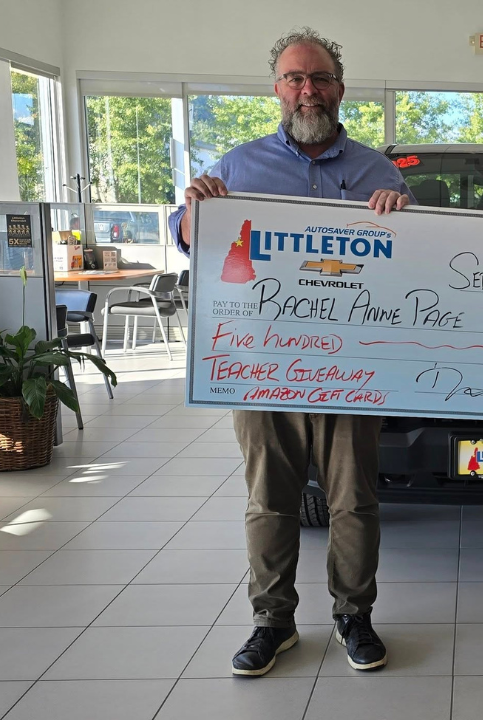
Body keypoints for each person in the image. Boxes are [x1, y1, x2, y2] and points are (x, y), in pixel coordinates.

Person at [168, 27, 414, 676]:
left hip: (352, 370)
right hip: (262, 367)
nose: (309, 90)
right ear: (277, 88)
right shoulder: (237, 167)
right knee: (269, 501)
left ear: (340, 88)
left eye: (320, 78)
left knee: (353, 502)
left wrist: (405, 215)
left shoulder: (378, 173)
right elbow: (191, 239)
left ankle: (353, 616)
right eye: (296, 78)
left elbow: (417, 260)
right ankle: (271, 622)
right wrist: (195, 211)